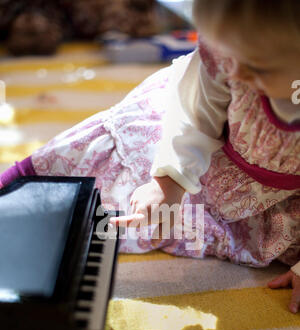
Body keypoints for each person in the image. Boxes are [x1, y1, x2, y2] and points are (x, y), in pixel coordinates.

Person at [1, 0, 300, 312]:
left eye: (258, 66)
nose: (235, 73)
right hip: (202, 149)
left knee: (173, 228)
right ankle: (10, 200)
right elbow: (194, 116)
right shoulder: (228, 59)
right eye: (227, 54)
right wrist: (169, 183)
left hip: (278, 199)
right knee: (92, 184)